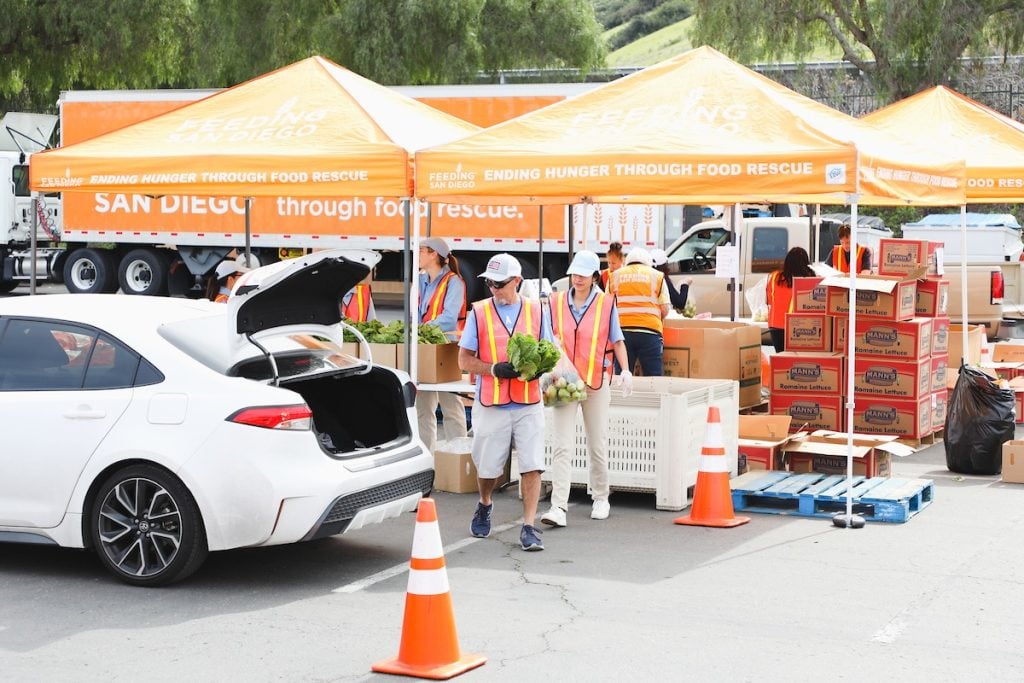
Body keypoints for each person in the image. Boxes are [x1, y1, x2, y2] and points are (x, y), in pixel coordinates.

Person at [458, 253, 554, 552]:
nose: (493, 289)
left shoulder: (537, 311)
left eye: (499, 284)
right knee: (488, 469)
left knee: (532, 464)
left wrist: (540, 368)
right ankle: (485, 502)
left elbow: (549, 351)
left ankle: (529, 526)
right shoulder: (479, 312)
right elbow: (464, 361)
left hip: (528, 401)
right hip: (492, 402)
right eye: (489, 283)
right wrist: (494, 369)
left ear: (517, 282)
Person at [540, 250, 632, 527]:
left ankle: (601, 497)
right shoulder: (555, 303)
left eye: (583, 274)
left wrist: (625, 370)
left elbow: (617, 340)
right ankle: (558, 507)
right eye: (574, 273)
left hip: (595, 381)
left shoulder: (606, 304)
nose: (577, 278)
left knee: (597, 443)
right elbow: (546, 338)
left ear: (594, 276)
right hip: (564, 383)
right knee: (562, 445)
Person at [416, 236, 468, 452]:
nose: (417, 255)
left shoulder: (454, 282)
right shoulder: (420, 280)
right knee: (423, 407)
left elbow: (449, 318)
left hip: (447, 349)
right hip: (426, 348)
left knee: (450, 404)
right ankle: (427, 458)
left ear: (433, 254)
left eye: (421, 251)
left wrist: (422, 330)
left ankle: (459, 456)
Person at [608, 247, 670, 376]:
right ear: (648, 262)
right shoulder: (657, 276)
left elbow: (606, 308)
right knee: (654, 377)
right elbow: (665, 309)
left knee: (623, 376)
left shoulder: (614, 276)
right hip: (650, 332)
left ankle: (622, 396)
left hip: (621, 333)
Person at [766, 247, 816, 352]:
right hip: (799, 325)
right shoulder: (808, 279)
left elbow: (769, 299)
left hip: (775, 324)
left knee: (781, 358)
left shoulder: (775, 276)